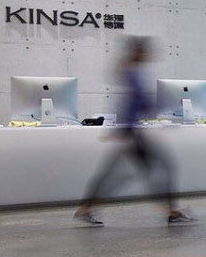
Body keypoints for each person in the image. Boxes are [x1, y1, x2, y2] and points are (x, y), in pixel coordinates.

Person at [75, 37, 194, 226]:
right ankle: (172, 211)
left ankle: (87, 208)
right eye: (145, 51)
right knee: (161, 168)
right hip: (132, 134)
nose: (148, 54)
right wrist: (157, 110)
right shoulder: (132, 73)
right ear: (138, 52)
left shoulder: (132, 71)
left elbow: (134, 103)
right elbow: (133, 103)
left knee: (123, 174)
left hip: (131, 132)